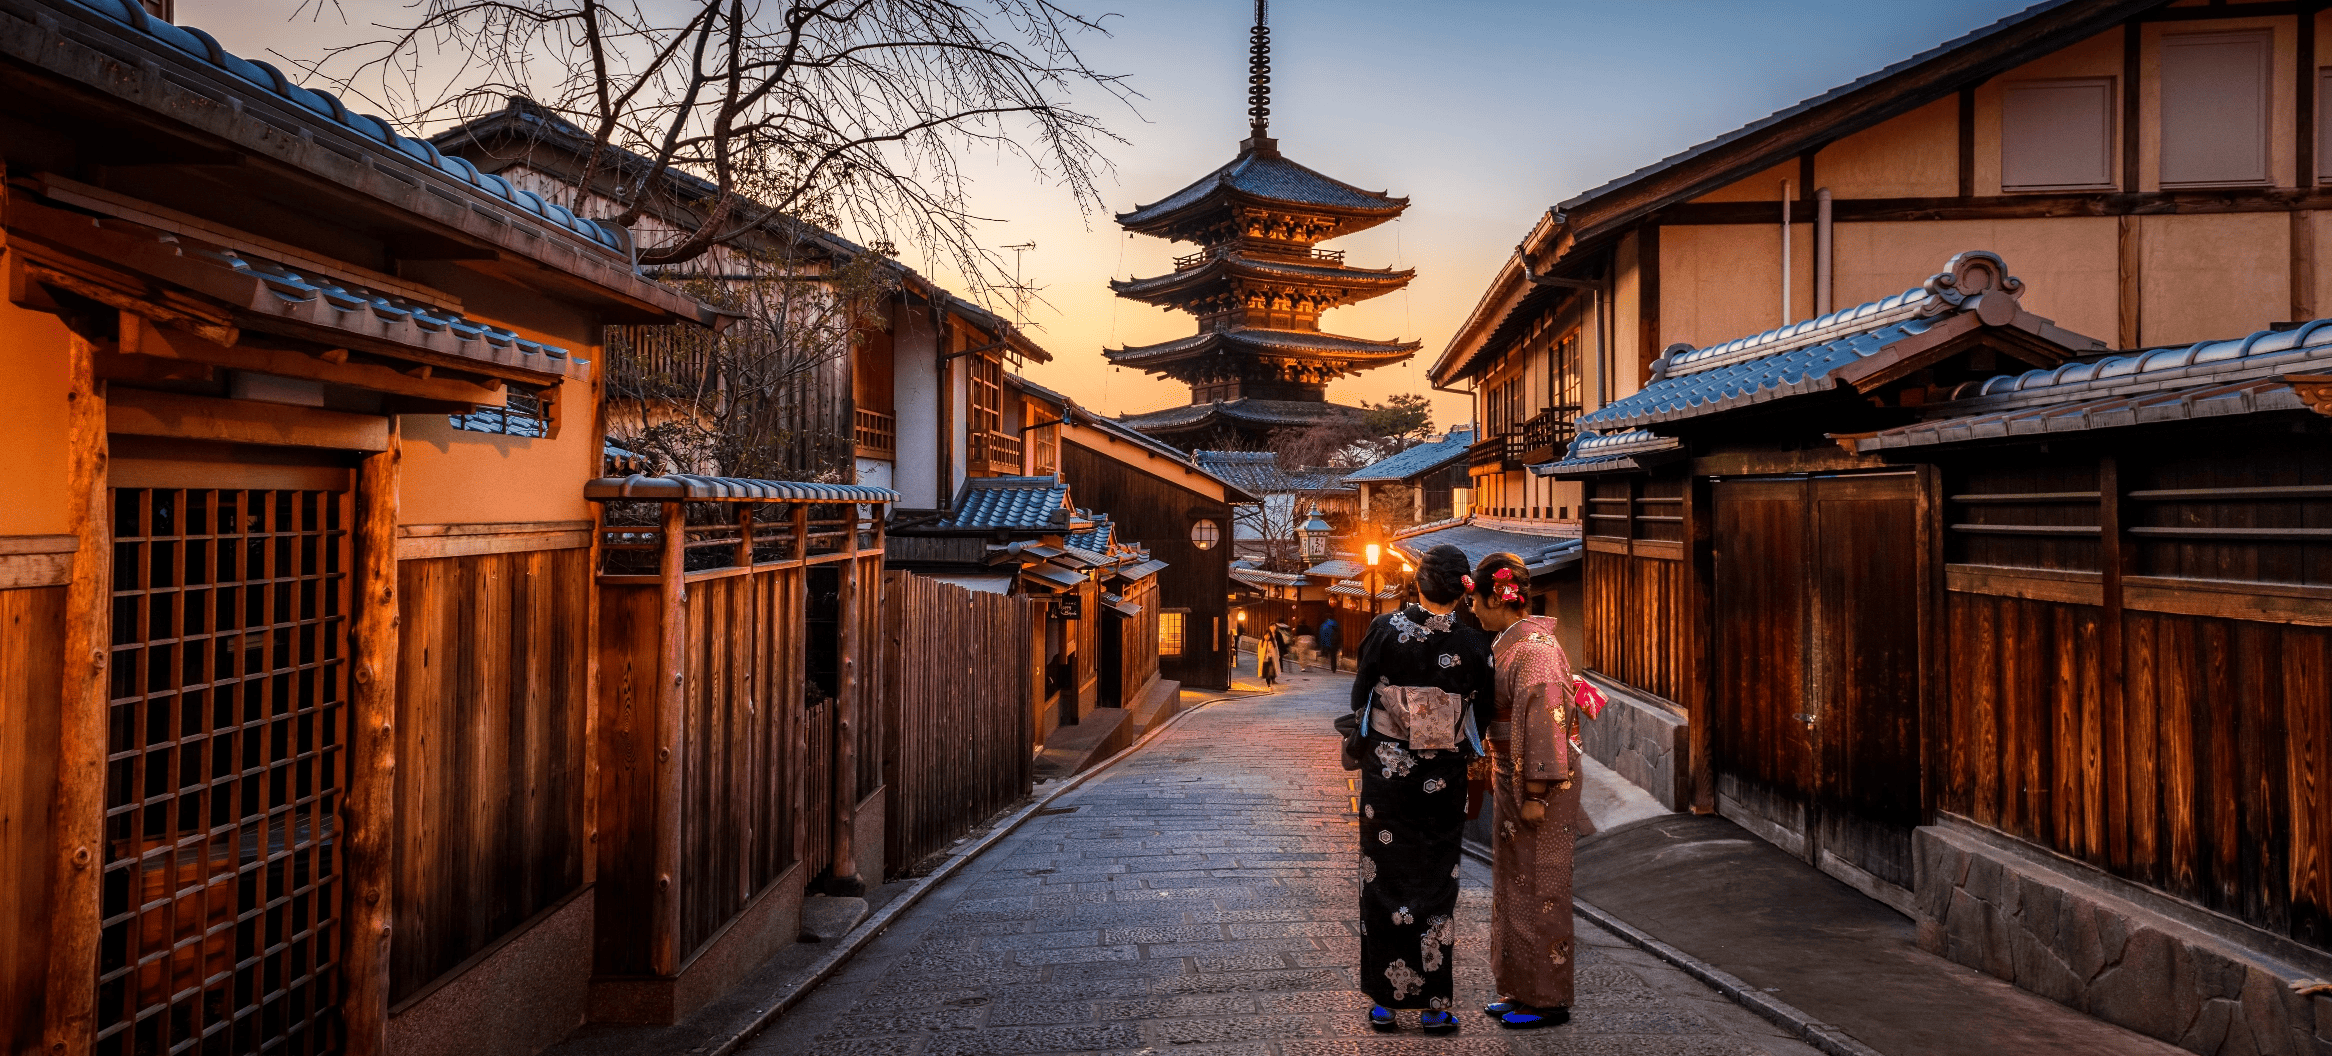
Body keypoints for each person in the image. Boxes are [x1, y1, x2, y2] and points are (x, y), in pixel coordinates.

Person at [1348, 544, 1494, 1034]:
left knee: (1383, 876)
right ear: (1462, 590)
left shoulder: (1385, 629)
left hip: (1389, 774)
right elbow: (1483, 712)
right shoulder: (1474, 643)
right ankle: (1436, 1004)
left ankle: (1386, 1003)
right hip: (1443, 777)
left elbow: (1361, 693)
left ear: (1418, 583)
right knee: (1435, 881)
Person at [1471, 552, 1592, 1029]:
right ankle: (1519, 986)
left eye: (1476, 601)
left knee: (1541, 884)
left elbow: (1543, 723)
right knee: (1514, 881)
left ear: (1494, 598)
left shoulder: (1534, 651)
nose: (1473, 611)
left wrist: (1537, 793)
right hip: (1512, 774)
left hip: (1539, 781)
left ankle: (1547, 998)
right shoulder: (1512, 643)